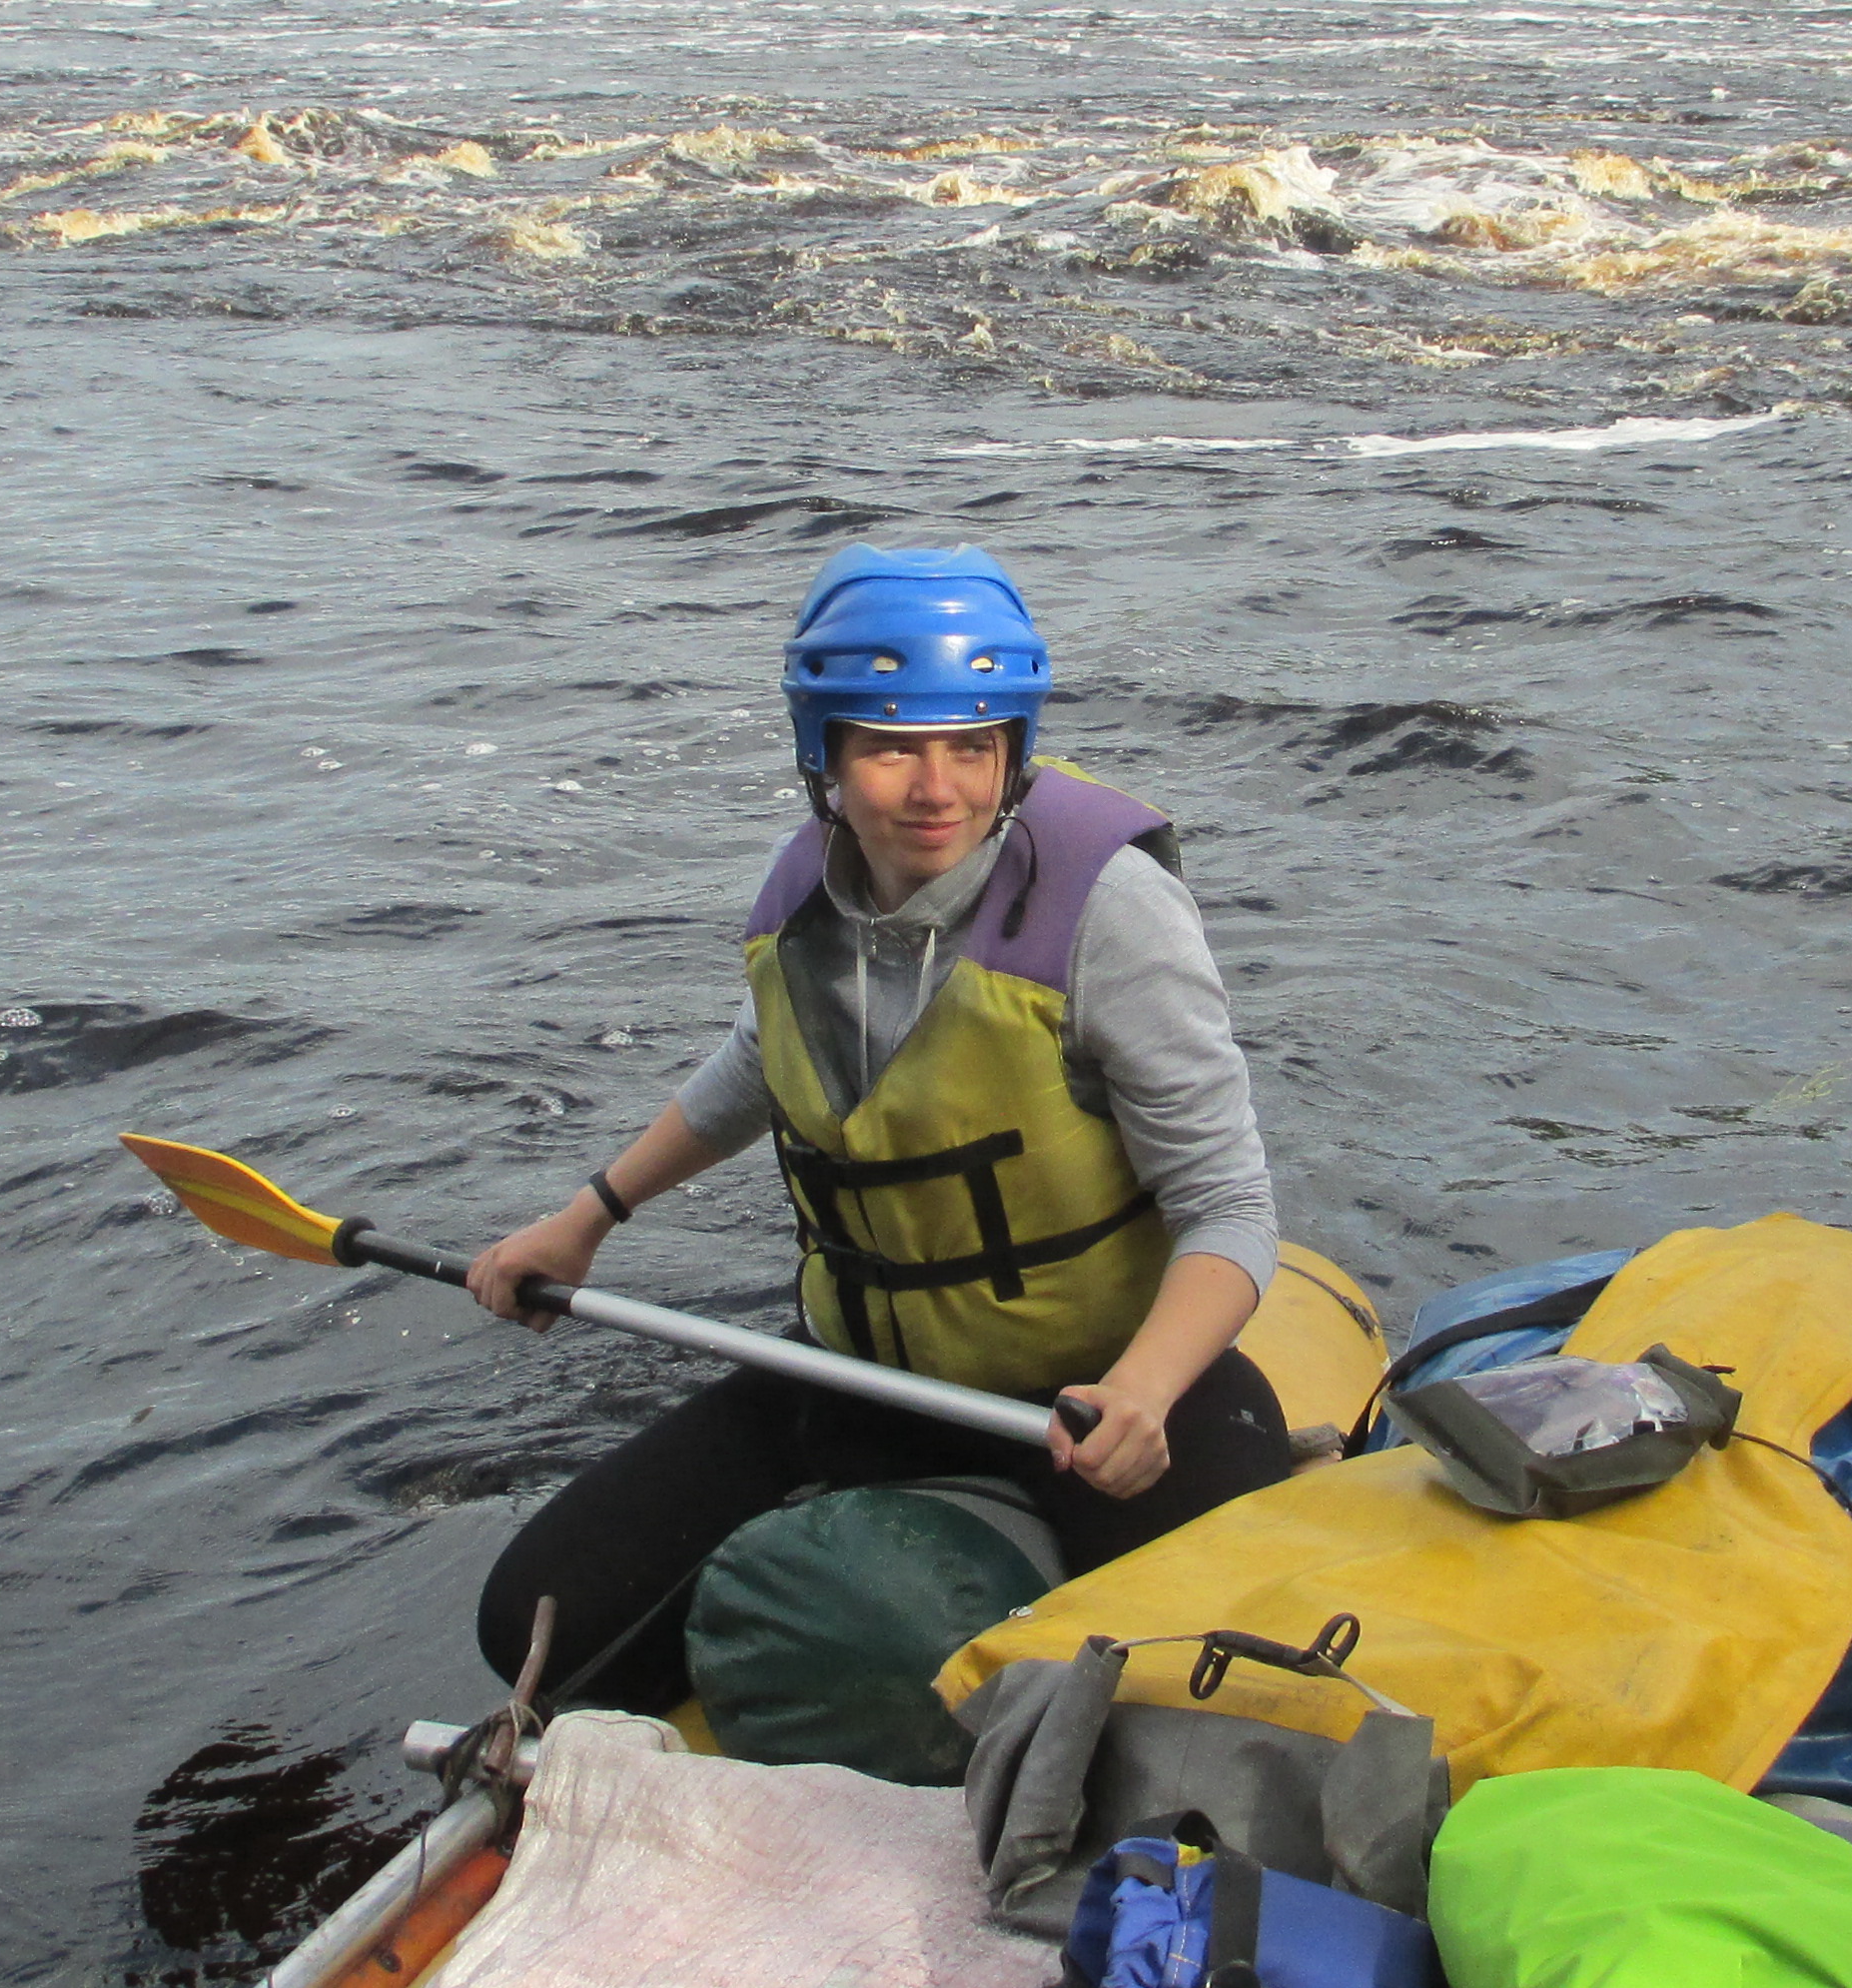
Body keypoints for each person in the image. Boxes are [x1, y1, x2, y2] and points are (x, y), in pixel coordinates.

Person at [464, 544, 1298, 1710]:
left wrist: (1147, 1392)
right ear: (827, 754)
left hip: (1092, 1395)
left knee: (1210, 1696)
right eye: (890, 745)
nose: (936, 788)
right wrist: (587, 1217)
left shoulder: (1112, 913)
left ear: (1013, 744)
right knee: (533, 1621)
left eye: (972, 744)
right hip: (865, 1376)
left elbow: (1228, 1205)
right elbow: (762, 1062)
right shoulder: (806, 891)